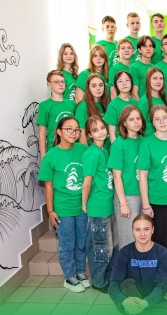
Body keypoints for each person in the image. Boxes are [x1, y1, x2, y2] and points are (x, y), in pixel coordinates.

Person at [38, 117, 89, 292]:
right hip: (63, 208)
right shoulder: (51, 156)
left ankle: (80, 272)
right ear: (59, 131)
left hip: (82, 207)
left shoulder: (83, 149)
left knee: (81, 242)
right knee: (67, 244)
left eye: (76, 130)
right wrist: (50, 211)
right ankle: (69, 276)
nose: (73, 133)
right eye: (69, 129)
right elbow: (48, 187)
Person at [138, 105, 167, 288]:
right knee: (159, 241)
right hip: (157, 201)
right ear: (152, 122)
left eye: (164, 117)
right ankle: (159, 277)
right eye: (157, 119)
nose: (162, 122)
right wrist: (146, 204)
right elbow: (142, 175)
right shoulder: (147, 143)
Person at [109, 214, 167, 315]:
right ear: (133, 231)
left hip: (151, 299)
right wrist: (123, 301)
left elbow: (162, 286)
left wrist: (145, 303)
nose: (142, 234)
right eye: (138, 229)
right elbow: (114, 283)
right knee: (127, 283)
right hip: (129, 298)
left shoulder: (162, 253)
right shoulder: (124, 252)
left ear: (153, 230)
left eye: (146, 229)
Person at [81, 116, 116, 293]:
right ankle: (99, 281)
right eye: (95, 130)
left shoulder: (104, 151)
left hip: (107, 205)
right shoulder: (92, 154)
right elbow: (86, 183)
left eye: (102, 128)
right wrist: (84, 204)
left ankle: (107, 277)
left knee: (110, 246)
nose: (101, 132)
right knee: (100, 247)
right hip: (98, 207)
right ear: (89, 135)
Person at [107, 105, 145, 248]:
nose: (136, 122)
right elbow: (116, 176)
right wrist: (123, 203)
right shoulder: (119, 144)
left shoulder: (144, 141)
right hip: (128, 197)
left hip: (144, 196)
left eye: (138, 118)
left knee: (143, 238)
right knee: (128, 239)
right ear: (124, 123)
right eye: (131, 119)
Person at [37, 70, 75, 159]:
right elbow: (42, 133)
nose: (60, 84)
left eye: (62, 82)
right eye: (56, 82)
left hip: (72, 149)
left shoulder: (72, 104)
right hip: (53, 150)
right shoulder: (44, 105)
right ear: (49, 84)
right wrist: (43, 157)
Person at [75, 73, 109, 147]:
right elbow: (81, 132)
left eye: (101, 85)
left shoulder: (105, 104)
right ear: (88, 88)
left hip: (105, 149)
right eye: (94, 86)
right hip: (91, 149)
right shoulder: (83, 105)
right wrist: (87, 151)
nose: (98, 88)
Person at [104, 70, 138, 142]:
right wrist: (115, 147)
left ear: (132, 83)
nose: (124, 83)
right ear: (116, 85)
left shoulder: (136, 103)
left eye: (127, 80)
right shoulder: (113, 105)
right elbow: (112, 133)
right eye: (120, 81)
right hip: (121, 143)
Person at [138, 67, 167, 136]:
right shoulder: (143, 101)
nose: (158, 81)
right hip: (148, 139)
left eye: (161, 78)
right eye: (155, 78)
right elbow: (140, 126)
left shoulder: (163, 99)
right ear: (148, 80)